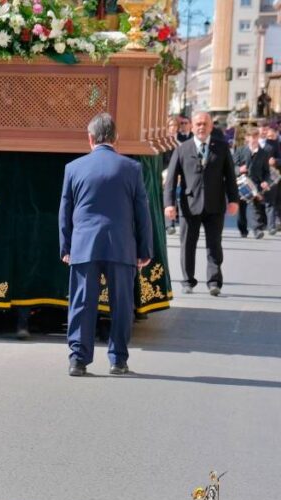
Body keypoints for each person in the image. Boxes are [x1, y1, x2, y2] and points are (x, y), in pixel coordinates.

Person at [59, 113, 153, 377]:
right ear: (116, 138)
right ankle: (118, 360)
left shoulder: (73, 168)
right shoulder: (131, 168)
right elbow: (142, 213)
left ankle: (78, 360)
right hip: (121, 246)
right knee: (121, 304)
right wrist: (144, 250)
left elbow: (65, 211)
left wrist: (66, 246)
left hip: (84, 245)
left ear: (90, 138)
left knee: (81, 303)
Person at [163, 112, 239, 296]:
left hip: (215, 204)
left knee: (214, 244)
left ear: (211, 126)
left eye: (205, 124)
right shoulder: (182, 149)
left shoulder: (221, 147)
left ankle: (214, 282)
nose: (201, 127)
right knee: (187, 244)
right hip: (190, 205)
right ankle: (188, 281)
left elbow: (230, 176)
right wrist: (169, 204)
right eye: (198, 124)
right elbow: (171, 179)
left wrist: (234, 200)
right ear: (191, 126)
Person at [232, 127, 270, 239]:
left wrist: (265, 181)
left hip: (255, 185)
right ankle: (243, 229)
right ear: (247, 138)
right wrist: (239, 169)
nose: (253, 139)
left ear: (258, 137)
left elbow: (266, 172)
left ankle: (257, 229)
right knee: (242, 210)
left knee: (254, 207)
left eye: (255, 137)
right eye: (251, 137)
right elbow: (232, 166)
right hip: (241, 183)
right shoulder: (240, 150)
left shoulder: (263, 153)